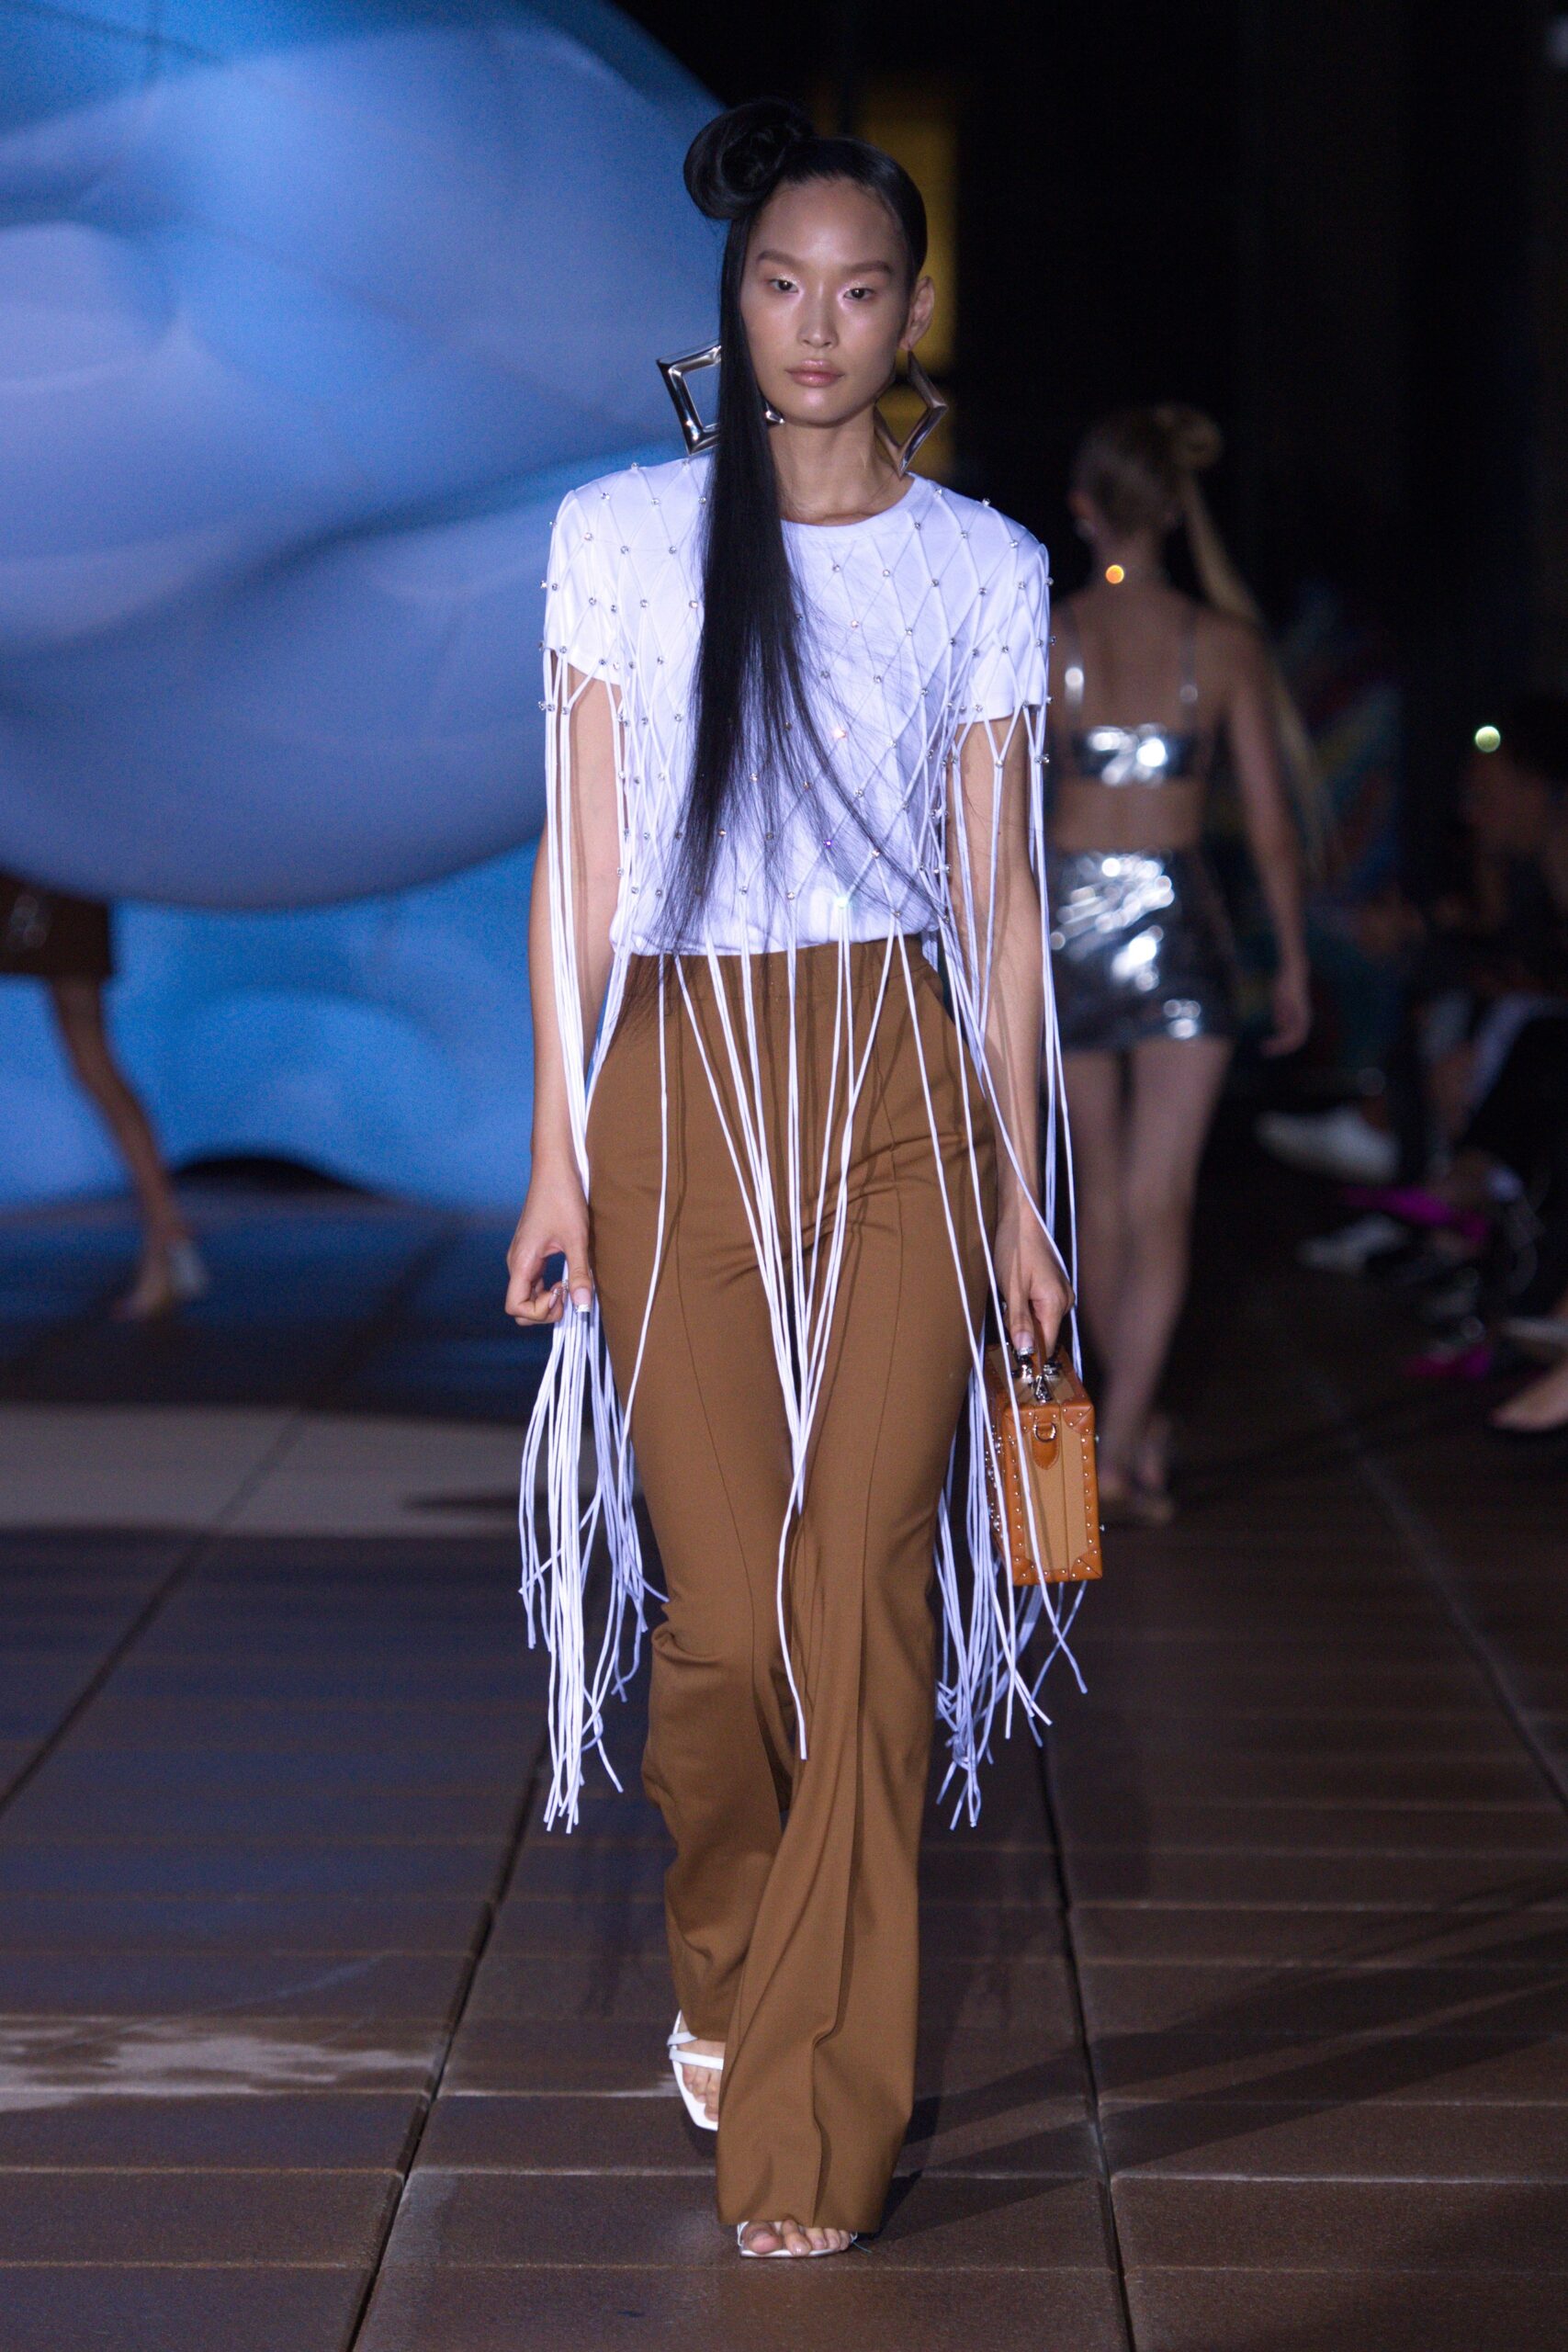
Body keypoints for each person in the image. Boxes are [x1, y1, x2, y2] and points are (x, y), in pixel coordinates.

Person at [502, 99, 1074, 2259]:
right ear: (727, 305)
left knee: (859, 1600)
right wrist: (550, 1145)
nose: (814, 326)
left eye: (855, 291)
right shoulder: (616, 539)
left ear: (906, 312)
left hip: (902, 1085)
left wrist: (1025, 1193)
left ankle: (817, 2124)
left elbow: (1002, 911)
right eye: (776, 285)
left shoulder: (980, 567)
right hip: (667, 1072)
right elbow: (573, 858)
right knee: (729, 1635)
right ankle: (726, 1938)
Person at [1046, 405, 1312, 1521]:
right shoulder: (1224, 644)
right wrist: (1291, 961)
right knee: (1162, 1199)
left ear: (1086, 509)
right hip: (1179, 924)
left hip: (1065, 919)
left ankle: (1123, 1427)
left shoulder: (1045, 632)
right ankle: (1124, 1439)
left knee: (1100, 1198)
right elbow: (1269, 824)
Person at [0, 872, 207, 1317]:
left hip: (44, 878)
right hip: (62, 878)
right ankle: (166, 1232)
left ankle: (166, 1232)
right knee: (92, 1058)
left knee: (91, 1056)